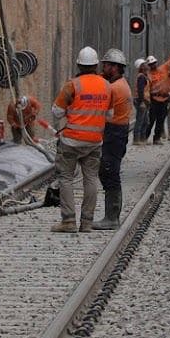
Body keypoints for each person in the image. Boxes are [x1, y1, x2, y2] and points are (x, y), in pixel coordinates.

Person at [49, 46, 111, 233]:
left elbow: (56, 112)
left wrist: (72, 109)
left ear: (78, 65)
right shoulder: (106, 85)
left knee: (66, 178)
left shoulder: (72, 85)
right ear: (96, 65)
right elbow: (110, 115)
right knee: (91, 178)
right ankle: (87, 222)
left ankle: (68, 221)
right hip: (95, 141)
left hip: (71, 141)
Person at [94, 48, 133, 230]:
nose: (103, 68)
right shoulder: (121, 84)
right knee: (108, 171)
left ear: (115, 67)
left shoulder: (114, 88)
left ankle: (112, 217)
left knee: (110, 172)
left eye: (107, 65)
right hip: (118, 132)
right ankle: (111, 216)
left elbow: (101, 110)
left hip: (114, 133)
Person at [146, 52, 170, 145]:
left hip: (164, 99)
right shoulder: (148, 75)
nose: (153, 65)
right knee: (151, 120)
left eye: (154, 63)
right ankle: (145, 137)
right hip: (154, 100)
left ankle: (156, 138)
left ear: (156, 63)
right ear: (149, 65)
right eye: (151, 64)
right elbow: (147, 88)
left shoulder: (163, 69)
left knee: (160, 120)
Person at [132, 57, 152, 145]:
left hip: (144, 101)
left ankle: (143, 139)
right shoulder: (141, 77)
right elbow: (140, 90)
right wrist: (142, 102)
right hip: (141, 101)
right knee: (140, 121)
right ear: (141, 67)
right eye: (144, 64)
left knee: (145, 121)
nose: (146, 65)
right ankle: (136, 139)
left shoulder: (144, 76)